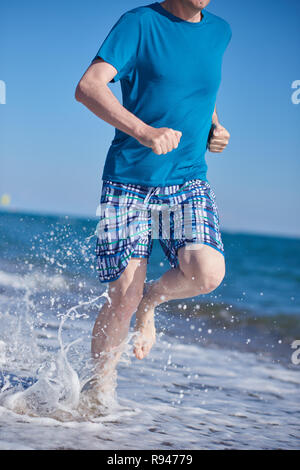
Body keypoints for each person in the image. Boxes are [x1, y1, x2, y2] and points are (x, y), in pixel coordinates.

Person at [75, 0, 232, 402]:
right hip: (129, 180)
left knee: (207, 272)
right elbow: (89, 86)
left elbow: (197, 87)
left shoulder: (219, 33)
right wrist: (144, 131)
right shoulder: (139, 24)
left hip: (187, 179)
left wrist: (215, 126)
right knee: (123, 295)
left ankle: (153, 300)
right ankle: (99, 396)